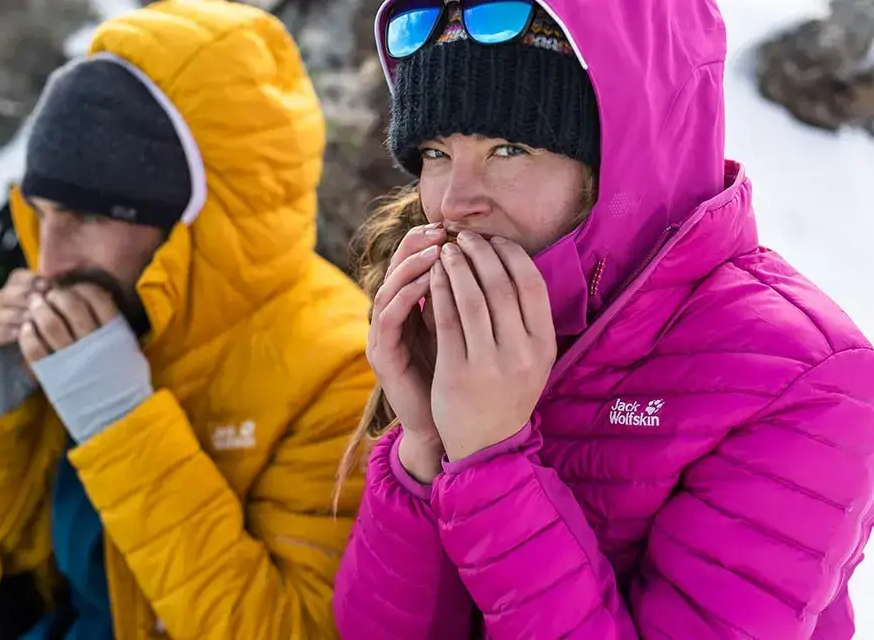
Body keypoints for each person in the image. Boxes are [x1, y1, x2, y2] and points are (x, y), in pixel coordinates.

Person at [332, 0, 874, 638]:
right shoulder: (471, 328)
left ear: (625, 158)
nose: (452, 201)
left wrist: (488, 461)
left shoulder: (807, 379)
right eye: (433, 152)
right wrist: (424, 445)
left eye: (509, 148)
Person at [0, 1, 373, 638]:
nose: (48, 262)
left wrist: (123, 426)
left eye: (89, 217)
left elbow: (295, 627)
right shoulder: (108, 313)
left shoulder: (342, 373)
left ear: (197, 219)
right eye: (44, 213)